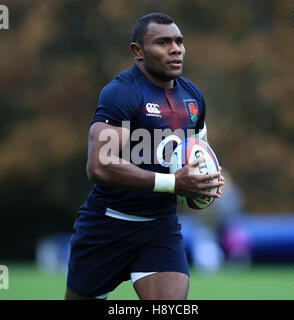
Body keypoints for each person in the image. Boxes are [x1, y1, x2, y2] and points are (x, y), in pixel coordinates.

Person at [65, 13, 225, 300]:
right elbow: (99, 165)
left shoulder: (193, 97)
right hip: (107, 227)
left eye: (179, 41)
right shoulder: (121, 93)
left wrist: (203, 183)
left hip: (160, 228)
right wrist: (173, 183)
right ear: (137, 51)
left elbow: (199, 152)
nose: (175, 49)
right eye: (163, 42)